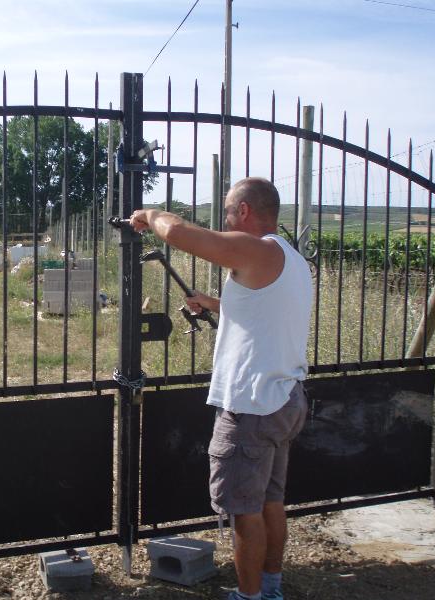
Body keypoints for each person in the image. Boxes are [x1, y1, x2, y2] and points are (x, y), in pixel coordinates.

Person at [130, 177, 313, 600]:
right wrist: (214, 303)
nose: (225, 221)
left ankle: (248, 597)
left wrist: (149, 215)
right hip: (283, 397)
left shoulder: (259, 248)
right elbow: (266, 308)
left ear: (244, 211)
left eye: (228, 213)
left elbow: (176, 233)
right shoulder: (288, 258)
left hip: (252, 406)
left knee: (244, 511)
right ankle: (270, 589)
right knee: (270, 501)